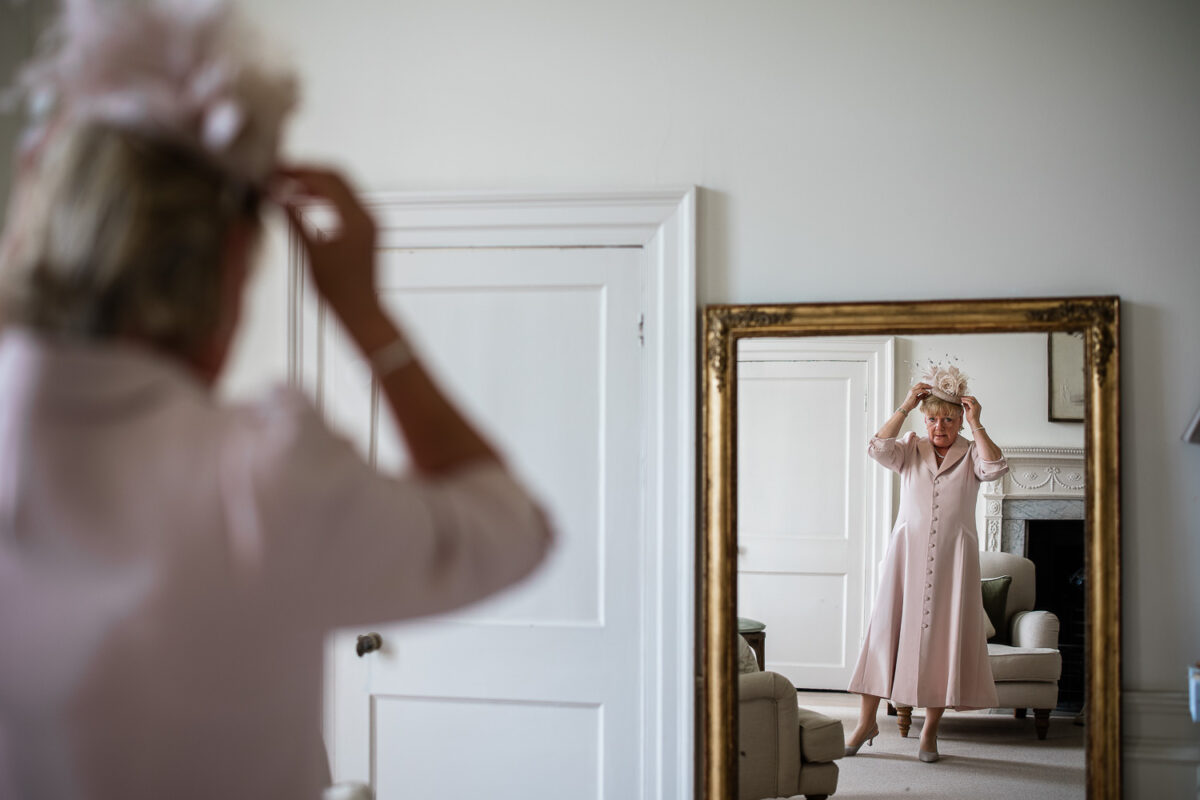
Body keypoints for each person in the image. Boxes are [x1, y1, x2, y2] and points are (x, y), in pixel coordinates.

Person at [0, 2, 552, 798]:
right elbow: (512, 527)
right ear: (234, 262)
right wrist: (366, 314)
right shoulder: (262, 478)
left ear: (40, 219)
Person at [843, 364, 1008, 763]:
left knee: (941, 642)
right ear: (924, 419)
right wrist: (904, 406)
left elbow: (997, 468)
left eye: (948, 420)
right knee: (884, 634)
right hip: (906, 558)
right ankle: (865, 723)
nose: (940, 427)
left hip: (953, 561)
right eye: (933, 419)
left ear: (958, 422)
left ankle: (929, 733)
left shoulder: (970, 453)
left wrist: (977, 423)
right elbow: (877, 447)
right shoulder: (911, 448)